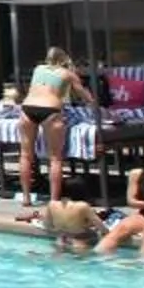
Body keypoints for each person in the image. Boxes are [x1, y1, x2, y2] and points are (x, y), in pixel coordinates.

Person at [16, 48, 94, 209]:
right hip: (50, 110)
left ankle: (26, 198)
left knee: (25, 155)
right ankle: (53, 201)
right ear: (65, 60)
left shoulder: (38, 69)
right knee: (55, 158)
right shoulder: (67, 74)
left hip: (28, 108)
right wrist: (94, 103)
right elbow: (83, 94)